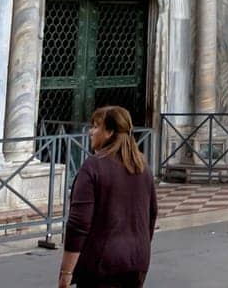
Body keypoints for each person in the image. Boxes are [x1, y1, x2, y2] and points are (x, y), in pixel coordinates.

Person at [58, 106, 157, 288]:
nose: (90, 132)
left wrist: (66, 272)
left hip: (102, 264)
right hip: (137, 261)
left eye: (96, 127)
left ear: (109, 132)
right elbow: (151, 216)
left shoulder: (93, 167)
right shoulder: (143, 168)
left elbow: (78, 225)